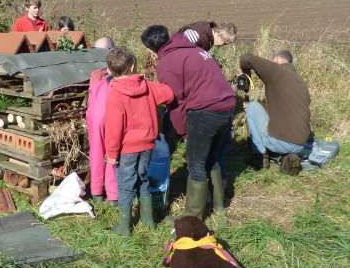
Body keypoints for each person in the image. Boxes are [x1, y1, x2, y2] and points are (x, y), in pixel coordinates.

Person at [141, 25, 236, 219]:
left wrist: (184, 131)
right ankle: (218, 208)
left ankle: (192, 217)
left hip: (205, 112)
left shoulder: (167, 63)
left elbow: (174, 101)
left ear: (151, 48)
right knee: (212, 158)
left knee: (196, 164)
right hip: (226, 107)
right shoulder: (195, 49)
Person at [104, 47, 174, 235]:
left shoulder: (115, 94)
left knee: (126, 183)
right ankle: (148, 219)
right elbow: (168, 93)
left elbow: (113, 128)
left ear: (110, 72)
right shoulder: (147, 86)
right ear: (133, 66)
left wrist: (111, 154)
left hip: (126, 148)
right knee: (142, 177)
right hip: (148, 144)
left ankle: (124, 227)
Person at [239, 49, 310, 173]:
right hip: (301, 144)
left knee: (252, 106)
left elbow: (246, 58)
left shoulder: (277, 70)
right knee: (275, 124)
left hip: (281, 141)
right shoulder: (301, 81)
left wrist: (247, 74)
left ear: (276, 59)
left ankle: (260, 157)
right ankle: (286, 157)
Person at [86, 36, 117, 206]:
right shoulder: (120, 69)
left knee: (97, 152)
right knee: (112, 153)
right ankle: (112, 196)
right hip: (112, 116)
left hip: (96, 116)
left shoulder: (94, 74)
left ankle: (97, 192)